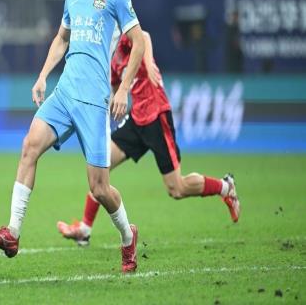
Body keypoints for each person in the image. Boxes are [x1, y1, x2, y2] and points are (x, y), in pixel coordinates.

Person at [0, 0, 145, 273]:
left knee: (99, 188)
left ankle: (127, 236)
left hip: (94, 101)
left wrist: (123, 89)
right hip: (65, 91)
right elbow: (61, 38)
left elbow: (139, 42)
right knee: (29, 146)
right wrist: (43, 75)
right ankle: (12, 233)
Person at [57, 31, 241, 247]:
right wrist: (110, 101)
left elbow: (143, 37)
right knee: (100, 167)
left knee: (176, 189)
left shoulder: (124, 38)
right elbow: (115, 87)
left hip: (157, 116)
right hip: (137, 119)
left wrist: (148, 60)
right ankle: (84, 230)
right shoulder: (112, 59)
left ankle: (225, 187)